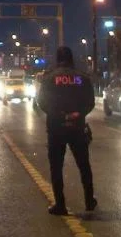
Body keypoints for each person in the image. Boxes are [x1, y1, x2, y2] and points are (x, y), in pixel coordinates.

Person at [37, 46, 97, 215]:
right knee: (84, 165)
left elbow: (42, 102)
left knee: (56, 167)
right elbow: (90, 102)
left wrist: (59, 115)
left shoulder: (49, 78)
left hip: (56, 128)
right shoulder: (82, 78)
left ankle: (60, 204)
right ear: (72, 58)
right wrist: (78, 113)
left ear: (58, 58)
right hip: (77, 127)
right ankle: (89, 201)